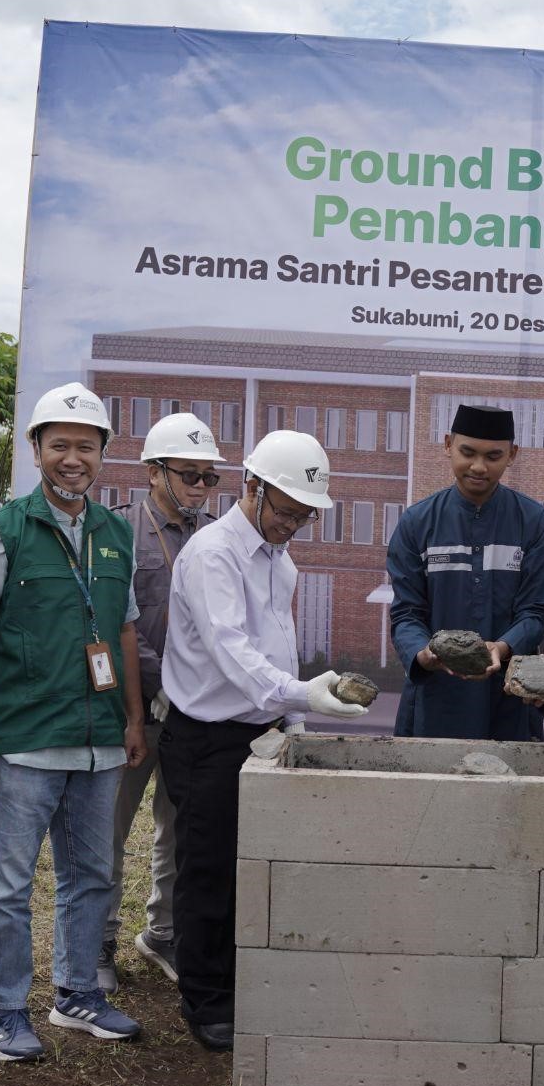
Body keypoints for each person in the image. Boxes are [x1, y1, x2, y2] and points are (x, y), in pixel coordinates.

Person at [0, 383, 146, 1061]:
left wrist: (133, 716)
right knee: (8, 884)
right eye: (58, 444)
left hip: (98, 743)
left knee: (92, 873)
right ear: (35, 450)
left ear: (102, 455)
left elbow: (122, 634)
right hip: (26, 742)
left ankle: (77, 994)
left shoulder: (116, 532)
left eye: (84, 446)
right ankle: (4, 1010)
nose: (71, 458)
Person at [160, 429, 371, 1052]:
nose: (293, 525)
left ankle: (237, 983)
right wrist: (303, 695)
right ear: (251, 488)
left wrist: (293, 722)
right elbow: (232, 653)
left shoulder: (282, 560)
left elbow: (278, 641)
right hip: (205, 738)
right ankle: (206, 1001)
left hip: (260, 731)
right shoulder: (212, 555)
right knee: (207, 871)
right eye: (286, 511)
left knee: (249, 868)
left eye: (304, 516)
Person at [98, 410, 219, 993]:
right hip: (132, 712)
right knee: (107, 828)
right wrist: (161, 683)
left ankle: (163, 933)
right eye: (188, 474)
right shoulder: (117, 530)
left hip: (195, 715)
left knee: (180, 828)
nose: (199, 486)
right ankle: (98, 941)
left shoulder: (217, 537)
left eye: (208, 477)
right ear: (153, 472)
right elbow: (111, 623)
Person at [388, 403, 544, 739]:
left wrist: (504, 646)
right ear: (448, 444)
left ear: (512, 454)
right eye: (467, 452)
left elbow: (537, 612)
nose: (479, 467)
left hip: (508, 700)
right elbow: (406, 613)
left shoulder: (533, 522)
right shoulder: (417, 523)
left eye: (493, 456)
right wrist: (422, 654)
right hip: (435, 699)